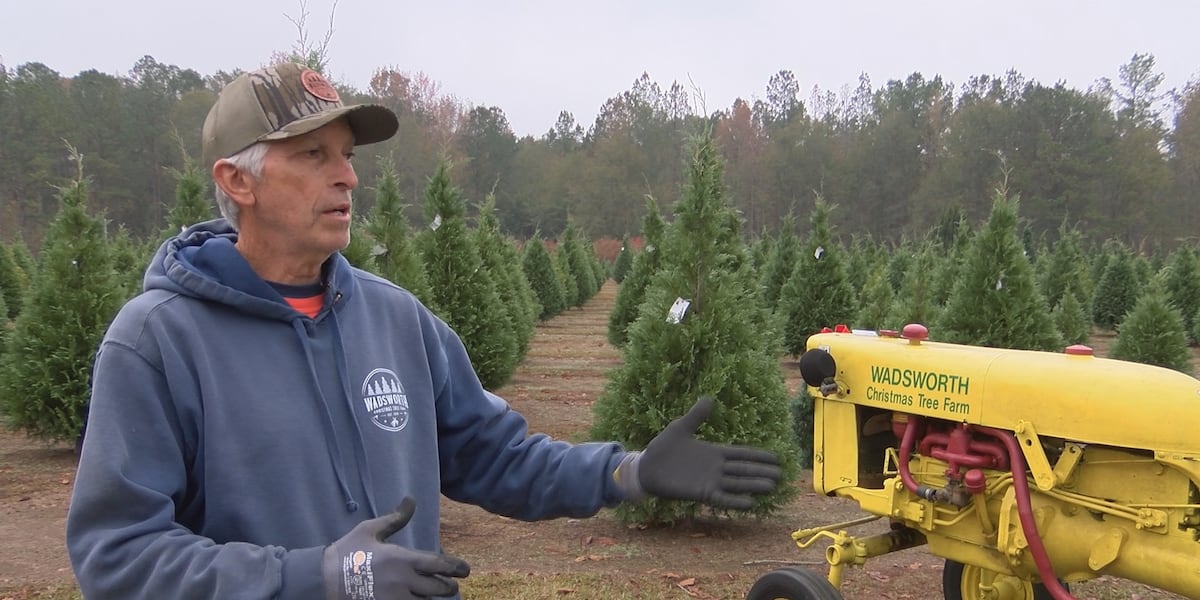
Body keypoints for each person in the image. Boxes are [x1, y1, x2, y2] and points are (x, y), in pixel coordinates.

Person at [65, 62, 782, 600]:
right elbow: (118, 554)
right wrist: (316, 576)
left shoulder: (397, 320)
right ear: (239, 181)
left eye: (347, 155)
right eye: (313, 156)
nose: (346, 177)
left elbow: (493, 457)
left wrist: (623, 472)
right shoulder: (158, 342)